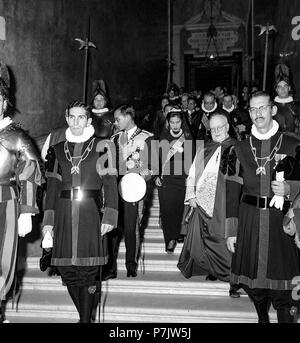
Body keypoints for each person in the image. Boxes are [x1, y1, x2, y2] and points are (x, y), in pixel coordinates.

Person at [226, 91, 300, 323]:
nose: (258, 113)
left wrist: (290, 189)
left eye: (263, 108)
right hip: (250, 221)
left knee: (285, 288)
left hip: (282, 222)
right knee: (254, 286)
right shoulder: (238, 148)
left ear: (273, 109)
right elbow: (231, 192)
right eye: (253, 109)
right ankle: (261, 317)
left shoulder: (293, 144)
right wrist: (231, 229)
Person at [41, 100, 118, 323]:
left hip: (91, 212)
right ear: (66, 119)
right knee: (67, 272)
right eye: (72, 117)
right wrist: (48, 221)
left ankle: (84, 320)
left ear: (88, 120)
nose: (76, 121)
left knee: (88, 272)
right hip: (64, 213)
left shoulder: (104, 146)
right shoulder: (57, 150)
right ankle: (85, 318)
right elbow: (53, 188)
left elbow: (110, 182)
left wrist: (110, 214)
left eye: (81, 117)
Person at [177, 112, 241, 298]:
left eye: (220, 127)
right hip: (203, 202)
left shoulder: (238, 148)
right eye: (212, 129)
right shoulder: (204, 148)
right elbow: (192, 174)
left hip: (225, 203)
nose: (216, 131)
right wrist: (191, 196)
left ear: (227, 127)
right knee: (206, 237)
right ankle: (213, 269)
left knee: (226, 239)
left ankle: (234, 281)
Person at [0, 76, 42, 323]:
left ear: (5, 102)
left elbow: (29, 173)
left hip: (4, 202)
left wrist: (26, 210)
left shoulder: (16, 136)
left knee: (1, 262)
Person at [111, 104, 157, 277]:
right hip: (115, 187)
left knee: (131, 227)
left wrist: (141, 177)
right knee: (114, 226)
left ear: (129, 116)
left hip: (134, 188)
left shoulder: (147, 138)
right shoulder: (115, 138)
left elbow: (153, 166)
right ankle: (110, 266)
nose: (115, 123)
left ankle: (131, 264)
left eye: (118, 119)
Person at [155, 110, 194, 252]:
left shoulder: (188, 136)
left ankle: (178, 232)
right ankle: (169, 239)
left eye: (178, 122)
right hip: (167, 177)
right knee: (167, 209)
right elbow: (157, 158)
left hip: (182, 176)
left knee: (179, 207)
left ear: (182, 122)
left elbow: (191, 159)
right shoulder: (163, 136)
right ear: (168, 123)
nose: (175, 125)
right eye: (172, 122)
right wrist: (156, 175)